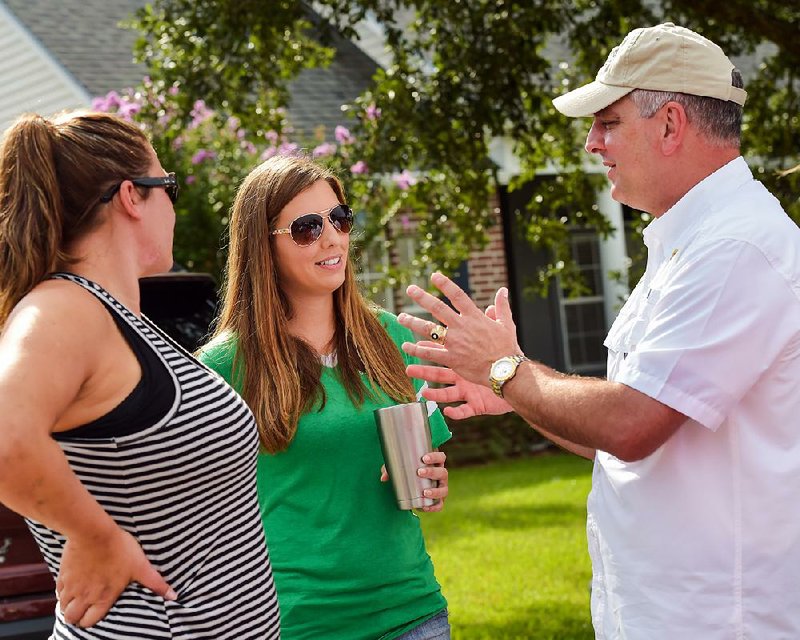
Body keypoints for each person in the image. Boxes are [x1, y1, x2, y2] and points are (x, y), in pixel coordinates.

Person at [396, 22, 800, 639]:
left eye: (608, 122)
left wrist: (507, 370)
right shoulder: (690, 244)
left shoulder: (735, 249)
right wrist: (511, 390)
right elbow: (619, 438)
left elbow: (632, 425)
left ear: (669, 124)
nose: (591, 143)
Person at [0, 111, 280, 638]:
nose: (173, 205)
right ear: (132, 196)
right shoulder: (65, 308)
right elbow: (4, 436)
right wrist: (96, 537)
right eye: (167, 187)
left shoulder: (110, 315)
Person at [197, 154, 452, 640]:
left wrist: (433, 478)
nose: (332, 237)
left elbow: (425, 461)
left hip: (412, 612)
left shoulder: (389, 336)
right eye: (307, 227)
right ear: (262, 246)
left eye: (339, 219)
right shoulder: (222, 367)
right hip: (296, 623)